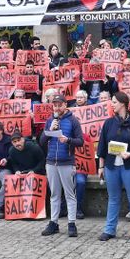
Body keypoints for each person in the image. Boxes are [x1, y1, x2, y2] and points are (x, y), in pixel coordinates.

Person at [97, 92, 130, 242]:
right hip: (112, 166)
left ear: (123, 104)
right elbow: (102, 146)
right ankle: (109, 229)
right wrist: (101, 167)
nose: (111, 104)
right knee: (113, 198)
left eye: (114, 102)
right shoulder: (108, 123)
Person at [39, 94, 84, 238]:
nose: (57, 107)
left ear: (65, 105)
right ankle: (54, 222)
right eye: (55, 105)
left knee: (70, 194)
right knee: (54, 194)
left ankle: (71, 223)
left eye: (60, 104)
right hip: (51, 161)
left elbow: (80, 141)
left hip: (66, 162)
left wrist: (68, 140)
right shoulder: (50, 120)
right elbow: (41, 141)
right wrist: (50, 130)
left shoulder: (73, 121)